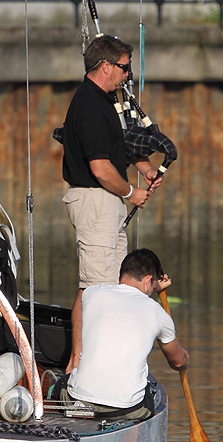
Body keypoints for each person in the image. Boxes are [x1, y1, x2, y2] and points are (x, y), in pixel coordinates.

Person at [60, 35, 163, 373]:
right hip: (95, 201)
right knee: (93, 288)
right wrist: (132, 192)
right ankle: (77, 365)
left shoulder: (105, 102)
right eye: (124, 68)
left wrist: (144, 168)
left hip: (107, 203)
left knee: (114, 286)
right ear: (106, 67)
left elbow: (120, 146)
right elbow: (101, 169)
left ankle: (101, 361)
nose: (127, 75)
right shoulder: (89, 106)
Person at [51, 249, 189, 422]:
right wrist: (186, 358)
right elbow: (178, 362)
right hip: (128, 409)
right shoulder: (158, 313)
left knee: (60, 384)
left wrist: (152, 286)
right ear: (148, 280)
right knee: (153, 393)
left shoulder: (91, 293)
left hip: (79, 401)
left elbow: (124, 299)